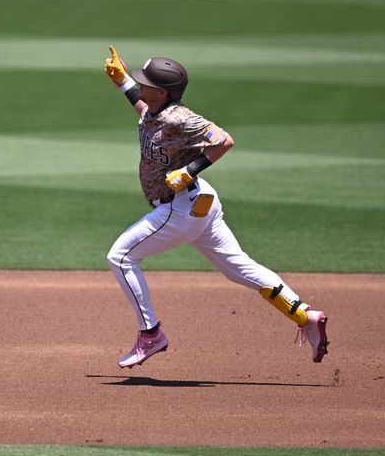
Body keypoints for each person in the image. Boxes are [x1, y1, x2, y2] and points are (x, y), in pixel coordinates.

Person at [103, 46, 330, 369]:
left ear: (163, 92)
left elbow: (223, 140)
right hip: (200, 205)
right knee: (238, 268)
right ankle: (305, 316)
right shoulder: (156, 113)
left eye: (146, 83)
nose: (142, 86)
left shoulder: (181, 117)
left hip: (178, 208)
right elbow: (146, 114)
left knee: (121, 257)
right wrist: (122, 82)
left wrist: (189, 170)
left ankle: (151, 334)